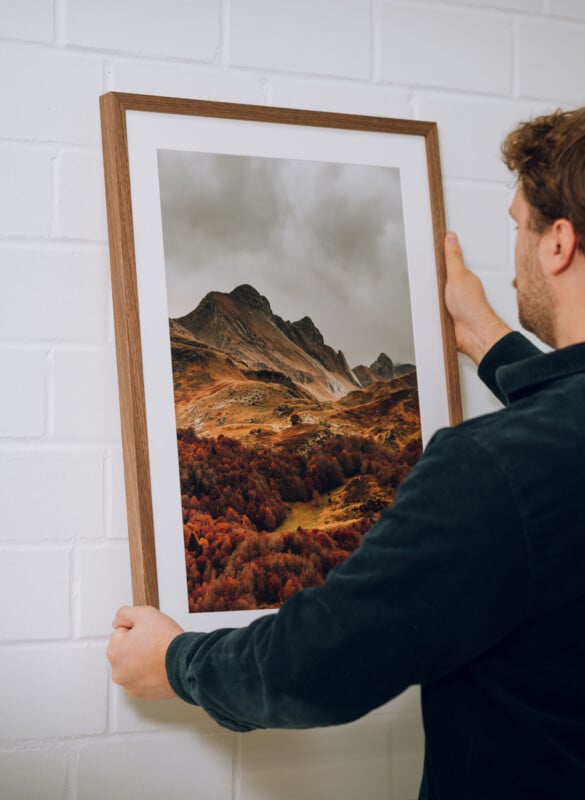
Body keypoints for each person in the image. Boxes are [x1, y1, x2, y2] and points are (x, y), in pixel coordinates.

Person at [107, 108, 585, 799]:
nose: (512, 255)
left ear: (558, 244)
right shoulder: (535, 461)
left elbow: (320, 666)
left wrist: (176, 661)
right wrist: (489, 341)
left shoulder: (491, 469)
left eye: (518, 227)